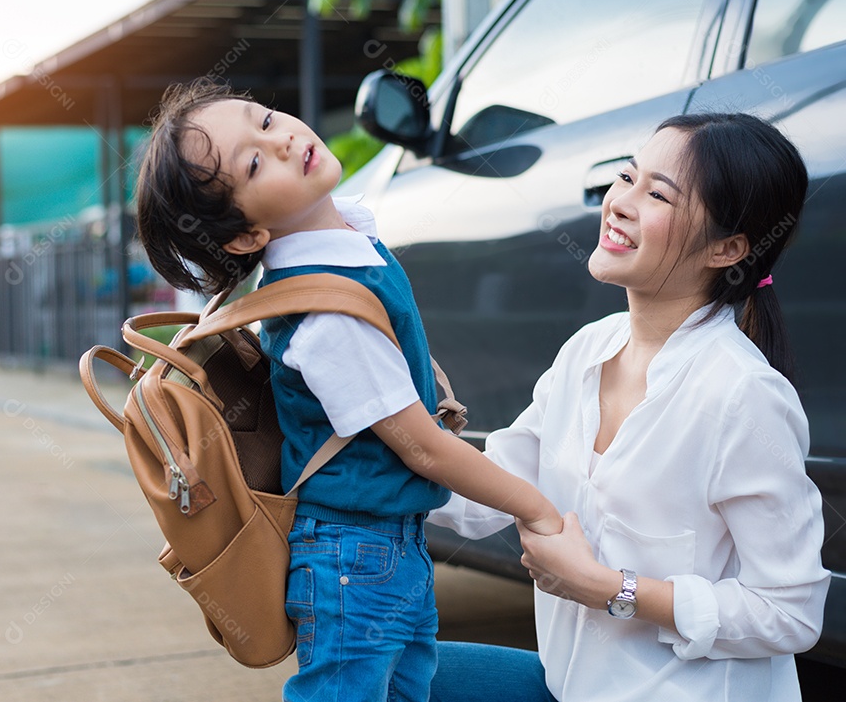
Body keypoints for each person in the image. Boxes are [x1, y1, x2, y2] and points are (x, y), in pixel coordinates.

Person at [135, 78, 563, 702]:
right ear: (247, 237)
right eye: (254, 163)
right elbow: (422, 447)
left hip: (386, 548)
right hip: (352, 562)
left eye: (267, 117)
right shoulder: (327, 320)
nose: (282, 140)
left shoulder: (348, 235)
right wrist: (535, 507)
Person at [428, 113, 830, 702]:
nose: (619, 202)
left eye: (658, 193)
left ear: (729, 248)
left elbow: (789, 613)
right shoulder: (588, 349)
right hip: (572, 688)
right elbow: (493, 486)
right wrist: (361, 448)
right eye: (626, 176)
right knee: (379, 666)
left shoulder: (743, 396)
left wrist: (604, 586)